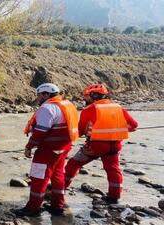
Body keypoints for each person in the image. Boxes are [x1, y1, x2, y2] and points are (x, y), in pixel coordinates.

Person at [64, 84, 138, 204]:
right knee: (113, 169)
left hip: (95, 146)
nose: (84, 99)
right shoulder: (118, 107)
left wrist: (66, 139)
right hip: (115, 145)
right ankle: (114, 196)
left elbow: (79, 130)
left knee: (73, 164)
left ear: (93, 95)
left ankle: (61, 187)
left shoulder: (89, 109)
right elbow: (133, 125)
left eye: (86, 96)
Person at [13, 83, 79, 217]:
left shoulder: (47, 108)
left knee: (38, 178)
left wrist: (29, 146)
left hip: (48, 149)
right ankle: (57, 206)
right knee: (58, 175)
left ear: (46, 94)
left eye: (39, 95)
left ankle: (33, 208)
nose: (38, 98)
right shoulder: (68, 105)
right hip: (63, 147)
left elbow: (40, 132)